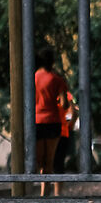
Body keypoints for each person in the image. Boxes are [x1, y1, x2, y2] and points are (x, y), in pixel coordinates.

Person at [32, 46, 66, 191]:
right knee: (49, 161)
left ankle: (39, 190)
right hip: (53, 121)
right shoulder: (57, 79)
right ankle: (44, 193)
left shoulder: (32, 77)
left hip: (36, 121)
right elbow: (64, 104)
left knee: (39, 161)